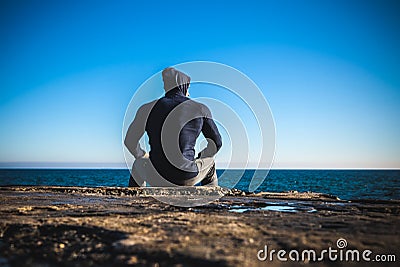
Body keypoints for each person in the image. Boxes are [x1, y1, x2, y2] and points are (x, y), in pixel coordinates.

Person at [124, 67, 222, 187]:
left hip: (157, 176)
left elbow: (130, 141)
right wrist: (202, 155)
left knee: (138, 164)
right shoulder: (200, 108)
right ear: (183, 86)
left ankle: (135, 202)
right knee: (210, 163)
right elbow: (216, 143)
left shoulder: (147, 108)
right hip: (187, 176)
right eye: (188, 88)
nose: (189, 93)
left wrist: (142, 154)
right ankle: (210, 201)